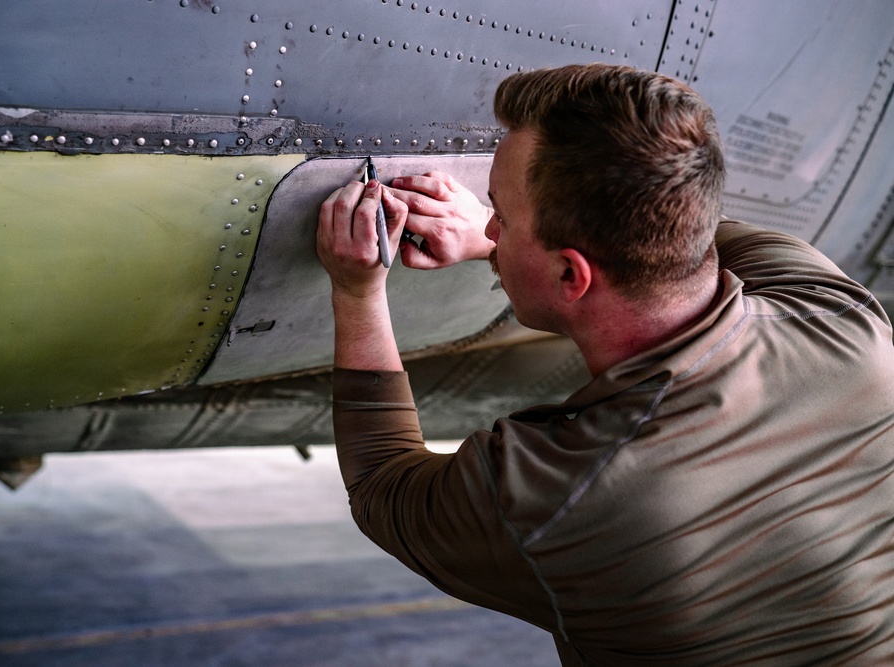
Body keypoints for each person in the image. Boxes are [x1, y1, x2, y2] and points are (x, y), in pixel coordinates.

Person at [316, 64, 894, 665]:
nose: (486, 227)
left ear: (571, 273)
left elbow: (382, 483)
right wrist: (510, 245)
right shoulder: (843, 320)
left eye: (501, 218)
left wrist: (357, 293)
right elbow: (658, 222)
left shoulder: (565, 497)